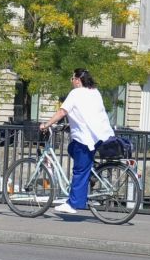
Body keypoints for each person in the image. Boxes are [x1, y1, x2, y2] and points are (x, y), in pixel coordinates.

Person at [40, 68, 115, 215]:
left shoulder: (76, 93)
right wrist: (71, 124)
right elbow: (88, 113)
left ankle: (73, 204)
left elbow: (62, 112)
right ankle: (91, 173)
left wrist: (46, 124)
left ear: (78, 80)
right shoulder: (95, 92)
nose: (71, 81)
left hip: (85, 138)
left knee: (79, 171)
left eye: (72, 78)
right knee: (71, 148)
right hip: (99, 136)